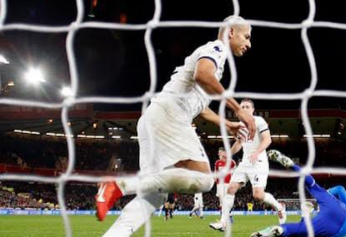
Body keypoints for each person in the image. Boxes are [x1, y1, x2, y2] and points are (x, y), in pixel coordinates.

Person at [96, 16, 256, 236]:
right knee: (205, 180)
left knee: (154, 195)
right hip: (171, 116)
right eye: (246, 36)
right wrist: (238, 110)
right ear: (230, 32)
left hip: (154, 118)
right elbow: (202, 75)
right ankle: (122, 185)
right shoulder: (216, 49)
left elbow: (199, 106)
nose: (249, 43)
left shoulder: (216, 60)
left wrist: (226, 122)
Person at [210, 99, 286, 232]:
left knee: (258, 195)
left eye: (247, 107)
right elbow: (239, 143)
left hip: (258, 162)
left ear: (252, 110)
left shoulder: (259, 121)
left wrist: (257, 152)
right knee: (231, 188)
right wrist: (229, 154)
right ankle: (223, 222)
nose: (244, 108)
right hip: (245, 162)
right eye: (242, 107)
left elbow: (268, 139)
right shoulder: (240, 125)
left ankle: (279, 207)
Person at [250, 150, 346, 237]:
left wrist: (326, 195)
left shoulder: (345, 210)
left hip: (331, 217)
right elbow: (340, 189)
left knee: (313, 186)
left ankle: (293, 166)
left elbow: (340, 189)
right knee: (302, 229)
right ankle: (282, 228)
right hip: (344, 221)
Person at [214, 148, 236, 222]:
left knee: (228, 200)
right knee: (222, 201)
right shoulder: (217, 163)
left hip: (228, 183)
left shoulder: (231, 162)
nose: (219, 153)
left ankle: (229, 215)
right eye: (218, 152)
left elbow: (235, 171)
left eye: (221, 152)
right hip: (220, 184)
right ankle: (224, 217)